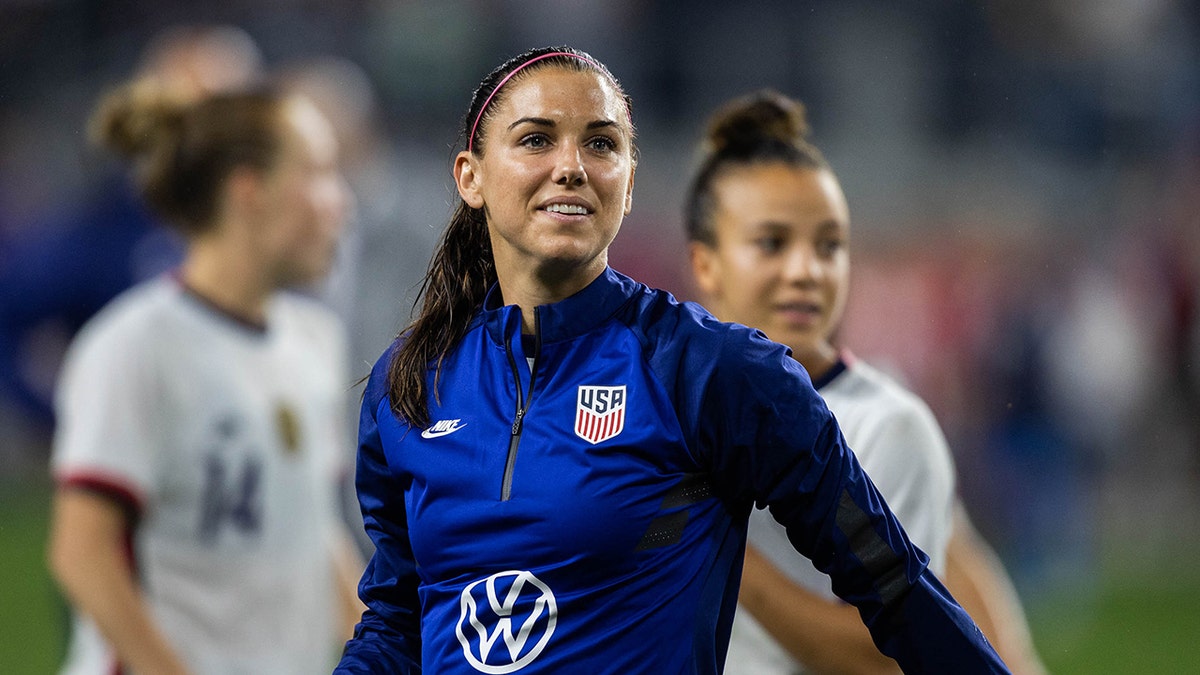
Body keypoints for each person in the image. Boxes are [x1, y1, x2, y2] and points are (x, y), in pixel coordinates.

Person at [335, 46, 1007, 674]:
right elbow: (397, 619)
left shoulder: (714, 371)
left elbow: (893, 585)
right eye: (537, 138)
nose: (570, 165)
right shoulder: (409, 383)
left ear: (628, 183)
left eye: (600, 144)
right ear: (471, 177)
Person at [684, 89, 1047, 674]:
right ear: (705, 264)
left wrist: (727, 555)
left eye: (830, 246)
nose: (805, 271)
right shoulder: (656, 402)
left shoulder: (887, 424)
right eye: (772, 243)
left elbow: (892, 656)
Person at [45, 77, 364, 675]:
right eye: (320, 173)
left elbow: (316, 537)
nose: (341, 201)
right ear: (250, 193)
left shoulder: (314, 341)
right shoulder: (135, 346)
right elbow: (82, 553)